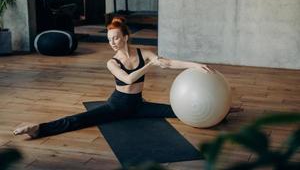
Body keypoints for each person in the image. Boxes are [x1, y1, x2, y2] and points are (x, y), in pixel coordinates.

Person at [13, 17, 215, 139]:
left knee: (178, 111)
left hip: (137, 105)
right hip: (116, 105)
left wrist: (195, 65)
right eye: (110, 39)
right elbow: (128, 80)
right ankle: (38, 129)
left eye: (116, 37)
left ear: (125, 37)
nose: (113, 42)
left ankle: (220, 111)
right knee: (79, 120)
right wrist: (150, 65)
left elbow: (168, 63)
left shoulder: (142, 53)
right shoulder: (112, 62)